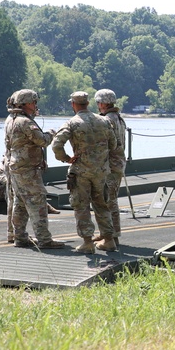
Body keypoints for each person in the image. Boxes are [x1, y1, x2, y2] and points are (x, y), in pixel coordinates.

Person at [52, 91, 117, 254]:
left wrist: (66, 158)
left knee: (81, 205)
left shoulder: (72, 123)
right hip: (101, 171)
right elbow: (114, 144)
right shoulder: (103, 121)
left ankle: (88, 242)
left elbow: (56, 145)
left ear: (73, 104)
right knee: (102, 204)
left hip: (81, 171)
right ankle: (108, 240)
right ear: (88, 104)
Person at [4, 89, 66, 249]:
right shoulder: (25, 122)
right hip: (27, 169)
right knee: (37, 201)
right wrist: (52, 133)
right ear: (25, 104)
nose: (35, 105)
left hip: (15, 167)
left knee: (20, 203)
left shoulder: (10, 119)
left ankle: (20, 237)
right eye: (33, 102)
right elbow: (42, 140)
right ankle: (44, 239)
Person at [95, 88, 126, 245]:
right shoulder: (119, 119)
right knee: (110, 199)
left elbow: (104, 145)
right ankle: (106, 233)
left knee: (109, 201)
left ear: (102, 104)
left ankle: (112, 236)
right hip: (118, 164)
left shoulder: (107, 120)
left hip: (109, 166)